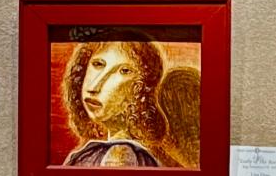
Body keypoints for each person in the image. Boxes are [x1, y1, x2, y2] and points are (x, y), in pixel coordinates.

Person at [61, 33, 198, 168]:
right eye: (98, 64)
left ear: (141, 88)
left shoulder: (120, 156)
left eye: (124, 71)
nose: (95, 86)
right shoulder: (104, 150)